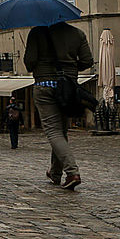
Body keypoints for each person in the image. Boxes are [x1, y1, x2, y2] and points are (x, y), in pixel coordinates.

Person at [24, 22, 93, 190]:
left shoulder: (37, 32)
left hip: (45, 85)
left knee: (53, 131)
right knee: (61, 131)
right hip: (67, 86)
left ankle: (72, 172)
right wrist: (69, 66)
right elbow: (87, 61)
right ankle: (55, 172)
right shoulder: (78, 33)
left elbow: (30, 62)